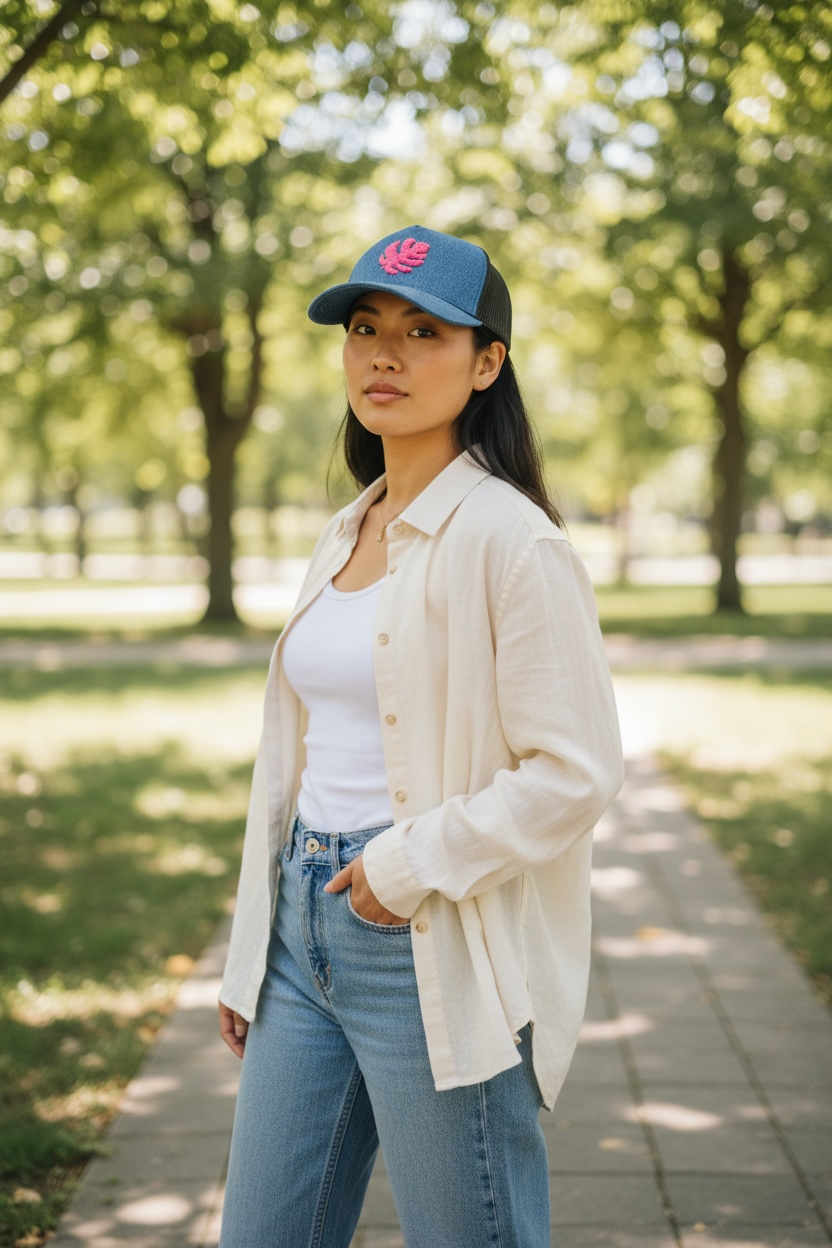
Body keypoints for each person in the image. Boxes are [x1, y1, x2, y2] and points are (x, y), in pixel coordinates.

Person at [217, 224, 624, 1248]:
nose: (384, 355)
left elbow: (575, 773)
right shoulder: (344, 530)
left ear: (487, 364)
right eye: (364, 329)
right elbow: (294, 760)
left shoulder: (513, 540)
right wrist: (253, 943)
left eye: (423, 331)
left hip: (426, 930)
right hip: (303, 933)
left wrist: (406, 868)